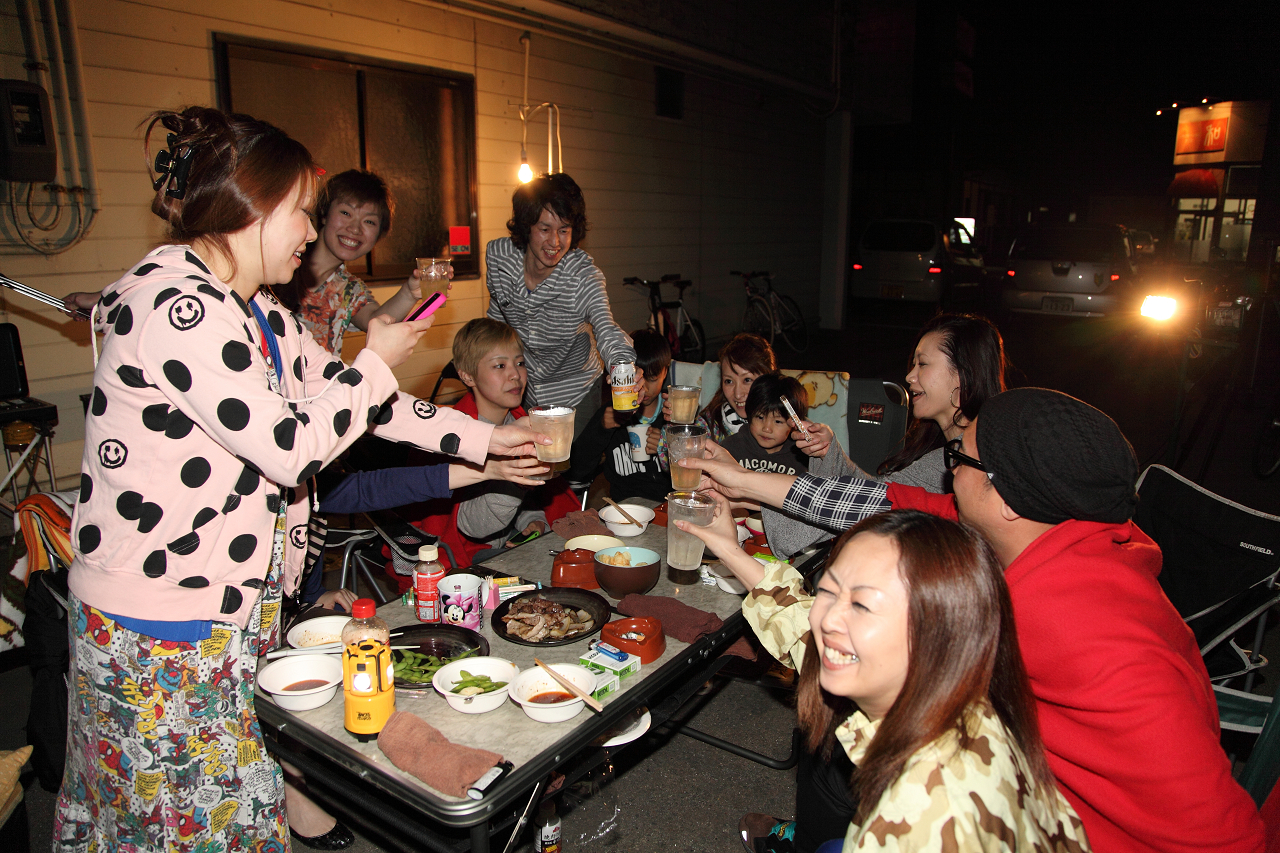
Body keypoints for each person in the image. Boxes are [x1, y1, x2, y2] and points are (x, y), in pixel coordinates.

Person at [54, 106, 543, 853]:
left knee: (230, 806)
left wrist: (488, 440)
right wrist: (375, 362)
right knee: (182, 825)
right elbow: (289, 448)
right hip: (159, 621)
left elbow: (362, 401)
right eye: (303, 214)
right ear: (250, 210)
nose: (312, 234)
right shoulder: (177, 307)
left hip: (225, 606)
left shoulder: (259, 312)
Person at [683, 388, 1266, 853]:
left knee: (834, 731)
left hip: (1036, 829)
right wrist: (743, 486)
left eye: (959, 458)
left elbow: (1223, 833)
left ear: (1005, 497)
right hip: (1012, 785)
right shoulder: (1067, 538)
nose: (947, 474)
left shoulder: (1073, 625)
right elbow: (884, 503)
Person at [684, 506, 1091, 851]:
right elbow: (798, 619)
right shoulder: (965, 693)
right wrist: (729, 548)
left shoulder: (919, 818)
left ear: (936, 630)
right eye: (829, 591)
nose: (828, 619)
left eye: (862, 605)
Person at [761, 313, 1008, 561]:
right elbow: (881, 494)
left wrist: (754, 485)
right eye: (913, 365)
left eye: (922, 364)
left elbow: (874, 505)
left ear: (963, 373)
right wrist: (828, 451)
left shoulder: (968, 461)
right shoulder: (947, 451)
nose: (910, 376)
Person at [398, 318, 580, 579]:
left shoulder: (520, 421)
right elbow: (472, 527)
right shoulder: (450, 437)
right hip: (462, 557)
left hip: (508, 544)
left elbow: (528, 498)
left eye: (520, 363)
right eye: (500, 365)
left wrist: (532, 520)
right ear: (467, 375)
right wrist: (516, 474)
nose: (515, 374)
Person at [485, 173, 635, 434]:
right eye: (544, 229)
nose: (555, 242)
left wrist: (623, 366)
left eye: (564, 230)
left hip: (577, 390)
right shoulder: (499, 257)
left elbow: (606, 328)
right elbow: (497, 321)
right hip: (525, 389)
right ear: (526, 227)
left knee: (573, 459)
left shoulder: (583, 277)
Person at [568, 329, 674, 502]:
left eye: (653, 378)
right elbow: (577, 470)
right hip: (622, 506)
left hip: (665, 506)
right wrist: (601, 429)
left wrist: (667, 448)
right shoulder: (611, 414)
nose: (643, 387)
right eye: (635, 378)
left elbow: (695, 474)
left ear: (665, 372)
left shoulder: (674, 415)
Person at [720, 373, 812, 477]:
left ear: (795, 424)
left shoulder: (803, 456)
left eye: (778, 421)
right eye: (760, 417)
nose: (767, 429)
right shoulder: (730, 448)